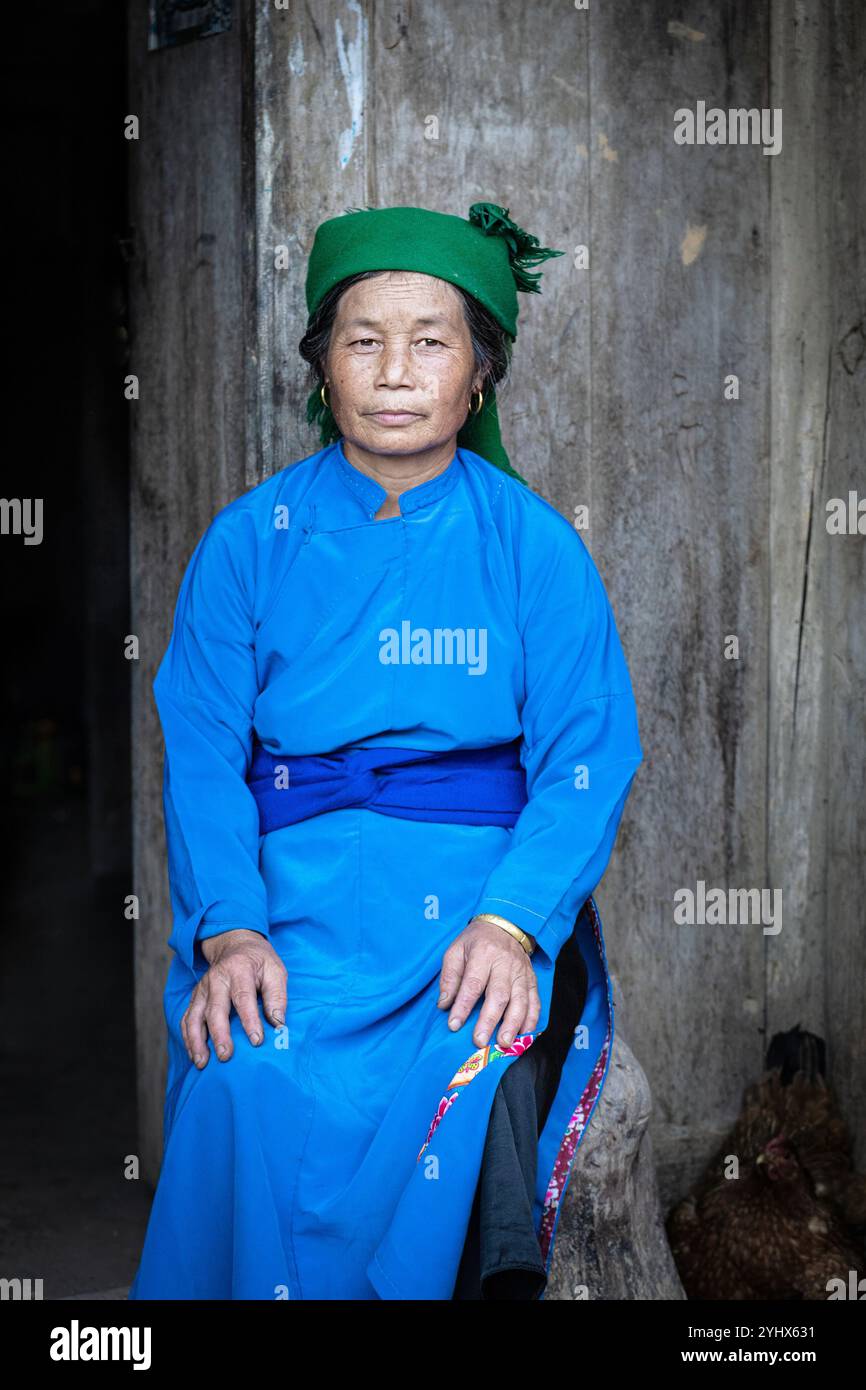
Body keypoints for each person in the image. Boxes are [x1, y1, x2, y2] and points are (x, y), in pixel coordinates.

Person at [128, 202, 643, 1300]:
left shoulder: (532, 548)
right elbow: (204, 751)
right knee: (242, 1074)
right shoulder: (246, 543)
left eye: (431, 341)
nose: (396, 371)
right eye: (363, 340)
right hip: (285, 908)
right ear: (321, 370)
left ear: (478, 375)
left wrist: (511, 926)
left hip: (464, 911)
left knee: (465, 1067)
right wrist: (230, 931)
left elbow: (588, 750)